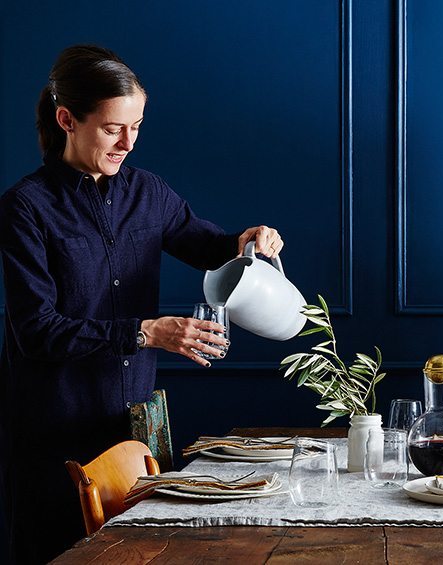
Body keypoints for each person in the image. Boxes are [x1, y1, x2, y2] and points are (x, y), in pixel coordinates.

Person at [0, 45, 285, 563]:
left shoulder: (148, 192)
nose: (129, 143)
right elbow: (37, 331)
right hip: (54, 434)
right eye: (113, 129)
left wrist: (248, 239)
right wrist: (146, 332)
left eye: (137, 126)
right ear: (67, 119)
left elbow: (208, 245)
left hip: (134, 427)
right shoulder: (25, 208)